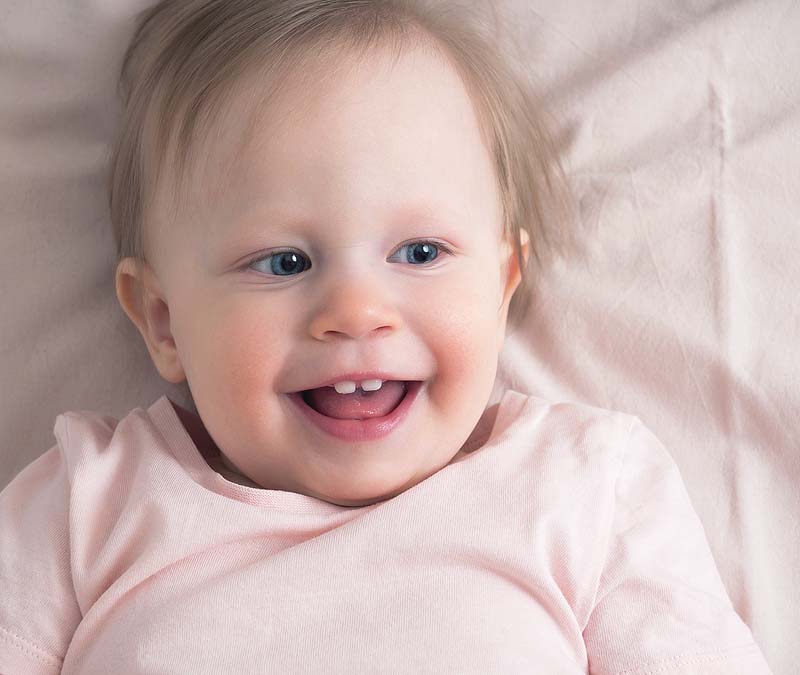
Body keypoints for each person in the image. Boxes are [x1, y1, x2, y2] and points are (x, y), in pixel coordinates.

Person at [0, 1, 774, 673]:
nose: (357, 311)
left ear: (502, 284)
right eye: (284, 261)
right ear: (163, 320)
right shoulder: (88, 501)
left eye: (420, 253)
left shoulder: (586, 485)